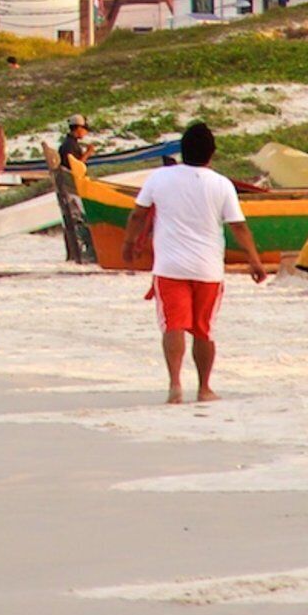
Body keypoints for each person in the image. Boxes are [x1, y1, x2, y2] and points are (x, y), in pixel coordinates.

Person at [127, 122, 266, 404]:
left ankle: (175, 384)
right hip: (208, 270)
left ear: (181, 150)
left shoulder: (159, 178)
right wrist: (255, 260)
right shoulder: (222, 184)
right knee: (204, 329)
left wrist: (128, 244)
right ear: (211, 154)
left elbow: (138, 215)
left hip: (169, 268)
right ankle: (204, 388)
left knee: (173, 326)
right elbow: (239, 227)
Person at [48, 116, 98, 264]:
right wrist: (88, 153)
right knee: (80, 221)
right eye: (84, 130)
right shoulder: (70, 146)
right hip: (72, 189)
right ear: (78, 128)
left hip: (69, 188)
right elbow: (75, 168)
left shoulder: (68, 144)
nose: (85, 133)